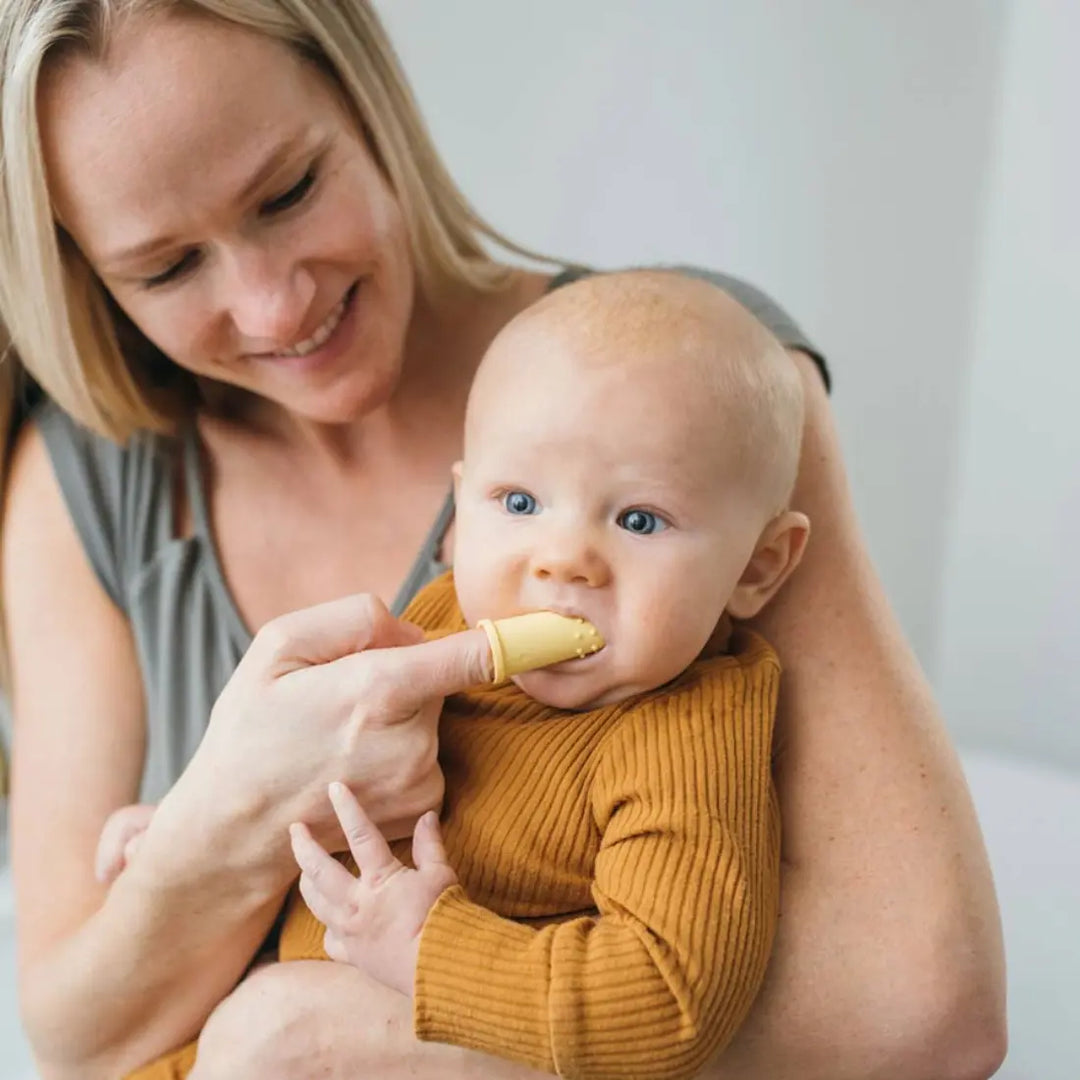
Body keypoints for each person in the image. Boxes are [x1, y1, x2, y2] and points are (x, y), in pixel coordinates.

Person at [0, 2, 1005, 1079]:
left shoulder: (696, 392)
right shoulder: (91, 475)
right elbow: (72, 1034)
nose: (272, 304)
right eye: (165, 268)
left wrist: (330, 1031)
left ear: (368, 101)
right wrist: (208, 832)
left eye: (288, 192)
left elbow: (928, 1004)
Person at [99, 271, 812, 1078]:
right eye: (518, 504)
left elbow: (671, 1000)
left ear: (758, 567)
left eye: (638, 519)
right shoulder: (439, 626)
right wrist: (194, 823)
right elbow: (304, 773)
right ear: (459, 509)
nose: (562, 560)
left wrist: (428, 944)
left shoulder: (688, 732)